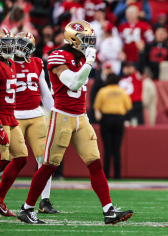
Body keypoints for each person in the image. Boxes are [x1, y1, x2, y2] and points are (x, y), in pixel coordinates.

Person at [17, 20, 133, 224]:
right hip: (62, 115)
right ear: (73, 39)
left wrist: (86, 61)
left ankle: (108, 211)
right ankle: (27, 209)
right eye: (85, 39)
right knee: (49, 165)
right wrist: (88, 62)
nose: (89, 44)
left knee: (95, 163)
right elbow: (73, 82)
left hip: (81, 116)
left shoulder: (80, 56)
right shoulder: (58, 55)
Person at [13, 32, 58, 214]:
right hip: (13, 115)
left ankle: (44, 200)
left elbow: (45, 92)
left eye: (26, 44)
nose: (22, 47)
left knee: (45, 158)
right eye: (19, 43)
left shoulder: (37, 62)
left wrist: (55, 114)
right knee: (6, 158)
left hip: (35, 114)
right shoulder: (5, 63)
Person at [0, 28, 29, 218]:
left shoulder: (10, 62)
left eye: (10, 43)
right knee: (2, 160)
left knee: (21, 158)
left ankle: (0, 199)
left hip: (11, 116)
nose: (9, 47)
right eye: (5, 43)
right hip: (1, 118)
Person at [94, 73, 132, 179]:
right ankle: (117, 175)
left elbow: (97, 107)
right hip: (119, 119)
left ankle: (106, 174)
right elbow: (128, 106)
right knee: (117, 148)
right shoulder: (122, 92)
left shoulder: (103, 91)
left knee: (107, 148)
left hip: (106, 119)